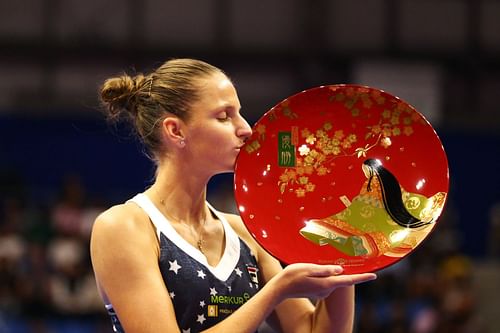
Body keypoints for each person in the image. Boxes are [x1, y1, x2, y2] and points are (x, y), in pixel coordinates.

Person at [90, 58, 377, 333]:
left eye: (239, 113)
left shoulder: (244, 232)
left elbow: (313, 330)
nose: (246, 129)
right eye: (224, 116)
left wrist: (339, 245)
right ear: (176, 130)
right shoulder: (123, 227)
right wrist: (276, 290)